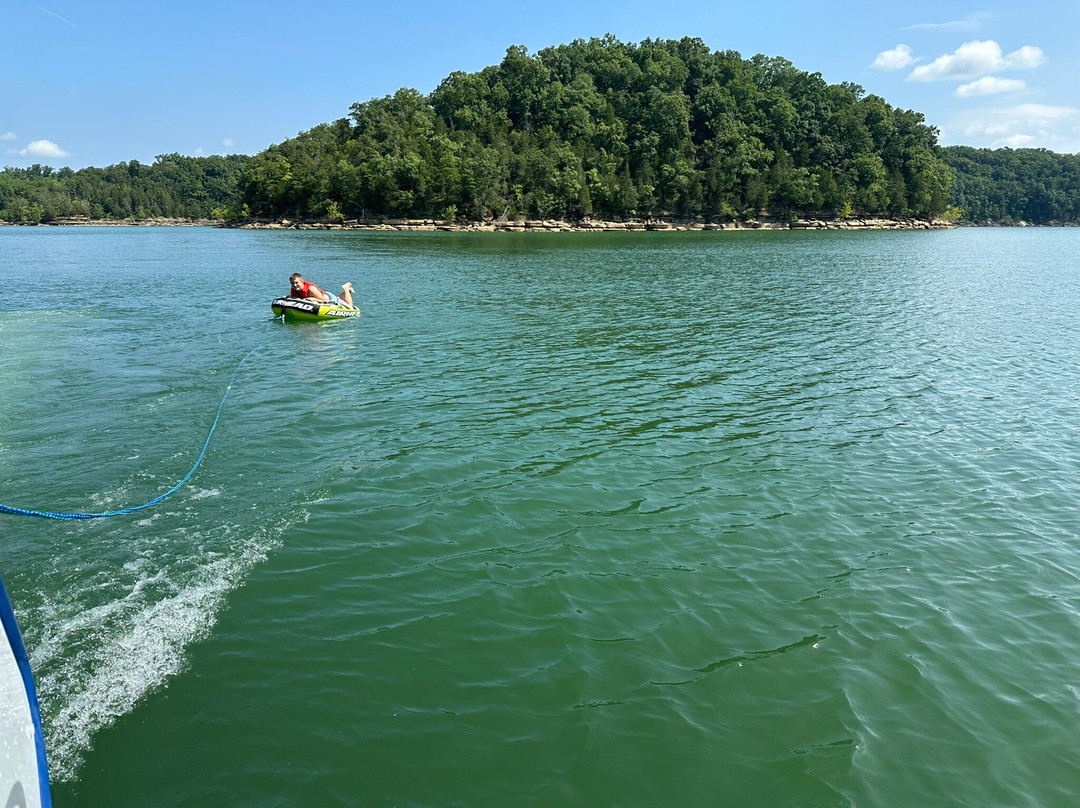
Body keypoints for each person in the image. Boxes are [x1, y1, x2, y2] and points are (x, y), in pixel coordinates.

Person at [288, 273, 355, 307]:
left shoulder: (311, 289)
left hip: (330, 298)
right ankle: (348, 291)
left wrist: (314, 299)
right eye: (292, 283)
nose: (294, 285)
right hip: (324, 297)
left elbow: (325, 300)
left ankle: (346, 287)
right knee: (339, 298)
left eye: (296, 283)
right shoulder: (294, 289)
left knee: (350, 305)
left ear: (302, 281)